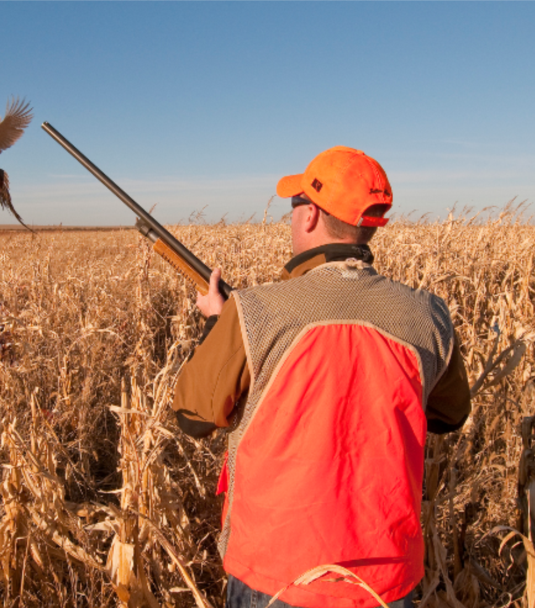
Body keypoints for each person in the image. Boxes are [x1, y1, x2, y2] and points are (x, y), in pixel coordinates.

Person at [171, 146, 472, 608]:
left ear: (310, 216)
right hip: (384, 583)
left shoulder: (255, 312)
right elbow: (449, 415)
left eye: (295, 208)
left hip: (274, 578)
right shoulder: (426, 316)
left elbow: (193, 415)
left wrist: (218, 324)